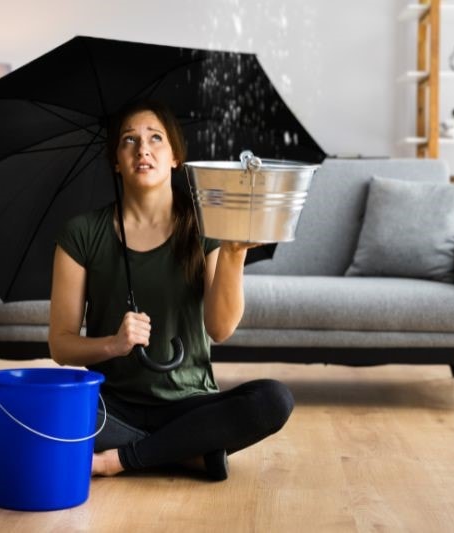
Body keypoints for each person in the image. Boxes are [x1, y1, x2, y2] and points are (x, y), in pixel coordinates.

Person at [48, 100, 293, 481]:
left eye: (155, 138)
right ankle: (185, 451)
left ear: (176, 156)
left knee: (273, 400)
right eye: (128, 140)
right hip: (109, 406)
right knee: (47, 408)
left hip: (190, 403)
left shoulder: (207, 224)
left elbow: (220, 328)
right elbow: (60, 346)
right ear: (116, 160)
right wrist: (112, 344)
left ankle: (121, 459)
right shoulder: (81, 233)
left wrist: (232, 253)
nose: (142, 149)